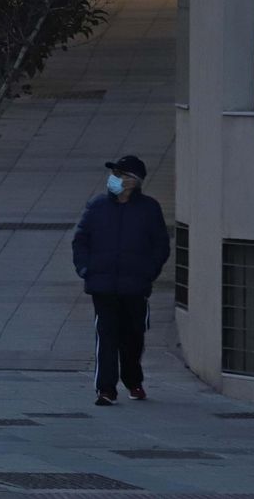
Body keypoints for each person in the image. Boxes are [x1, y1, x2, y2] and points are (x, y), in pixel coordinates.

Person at [72, 156, 170, 406]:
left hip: (135, 286)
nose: (115, 178)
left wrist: (148, 272)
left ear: (133, 182)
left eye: (121, 174)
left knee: (132, 337)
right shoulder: (97, 206)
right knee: (106, 336)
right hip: (102, 285)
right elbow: (81, 239)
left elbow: (160, 245)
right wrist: (85, 268)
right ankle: (105, 389)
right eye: (114, 173)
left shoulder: (148, 209)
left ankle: (133, 380)